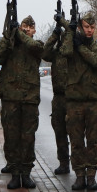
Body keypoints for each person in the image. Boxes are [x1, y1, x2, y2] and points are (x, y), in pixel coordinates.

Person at [0, 15, 43, 190]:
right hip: (11, 97)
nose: (27, 29)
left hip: (29, 98)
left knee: (28, 137)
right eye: (24, 26)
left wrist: (20, 34)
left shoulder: (36, 45)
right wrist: (9, 36)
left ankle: (26, 173)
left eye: (30, 27)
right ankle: (14, 172)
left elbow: (37, 48)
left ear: (34, 30)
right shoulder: (10, 43)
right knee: (11, 136)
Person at [58, 14, 97, 190]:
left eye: (92, 27)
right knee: (76, 140)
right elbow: (64, 52)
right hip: (74, 100)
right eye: (86, 27)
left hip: (93, 100)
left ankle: (91, 175)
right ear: (81, 27)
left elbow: (96, 62)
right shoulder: (71, 44)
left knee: (93, 140)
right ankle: (79, 174)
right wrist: (71, 33)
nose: (89, 30)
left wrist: (80, 47)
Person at [41, 23, 71, 174]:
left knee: (76, 133)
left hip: (73, 97)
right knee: (60, 131)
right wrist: (55, 34)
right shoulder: (57, 53)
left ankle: (81, 165)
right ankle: (64, 162)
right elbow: (45, 53)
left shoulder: (73, 51)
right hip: (59, 97)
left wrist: (66, 24)